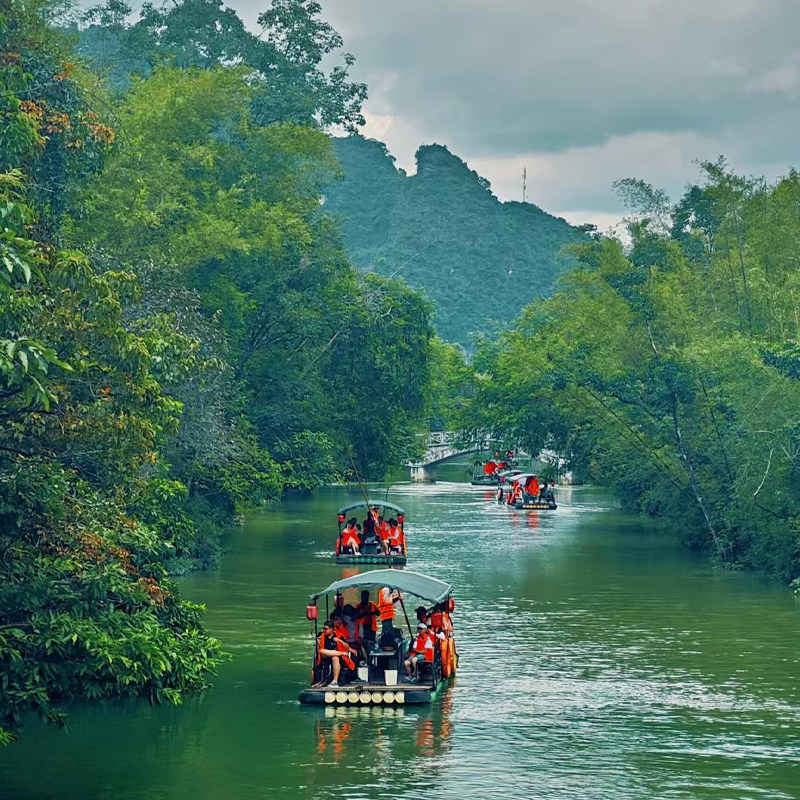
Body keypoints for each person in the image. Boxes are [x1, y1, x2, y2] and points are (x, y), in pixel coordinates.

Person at [317, 620, 356, 687]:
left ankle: (335, 681)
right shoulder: (321, 634)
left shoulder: (338, 635)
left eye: (326, 629)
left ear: (331, 629)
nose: (324, 630)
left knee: (335, 657)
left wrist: (339, 640)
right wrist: (318, 641)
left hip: (335, 657)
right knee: (322, 651)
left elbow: (346, 646)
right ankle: (341, 653)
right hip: (325, 655)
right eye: (323, 628)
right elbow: (320, 648)